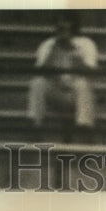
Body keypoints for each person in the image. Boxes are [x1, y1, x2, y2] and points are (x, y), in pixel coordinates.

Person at [27, 12, 98, 143]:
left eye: (66, 21)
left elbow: (91, 73)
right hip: (55, 91)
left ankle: (84, 127)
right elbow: (40, 71)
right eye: (59, 22)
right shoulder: (48, 44)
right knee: (38, 82)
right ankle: (35, 125)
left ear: (73, 24)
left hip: (76, 93)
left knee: (83, 83)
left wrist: (73, 50)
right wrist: (55, 49)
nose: (62, 25)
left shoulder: (86, 43)